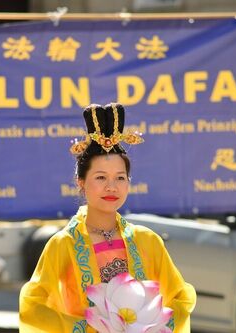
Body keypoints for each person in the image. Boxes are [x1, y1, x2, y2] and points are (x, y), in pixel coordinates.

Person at [19, 103, 196, 332]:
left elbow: (180, 299)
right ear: (81, 183)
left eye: (120, 178)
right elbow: (33, 308)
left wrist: (154, 327)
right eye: (101, 177)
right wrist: (86, 328)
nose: (112, 187)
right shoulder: (64, 245)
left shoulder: (147, 241)